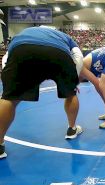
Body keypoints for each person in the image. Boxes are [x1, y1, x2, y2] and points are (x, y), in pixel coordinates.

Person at [0, 27, 84, 159]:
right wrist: (74, 82)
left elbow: (6, 58)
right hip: (58, 52)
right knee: (70, 95)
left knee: (9, 98)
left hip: (22, 49)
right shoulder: (63, 36)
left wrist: (9, 86)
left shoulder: (23, 32)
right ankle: (72, 129)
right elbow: (78, 56)